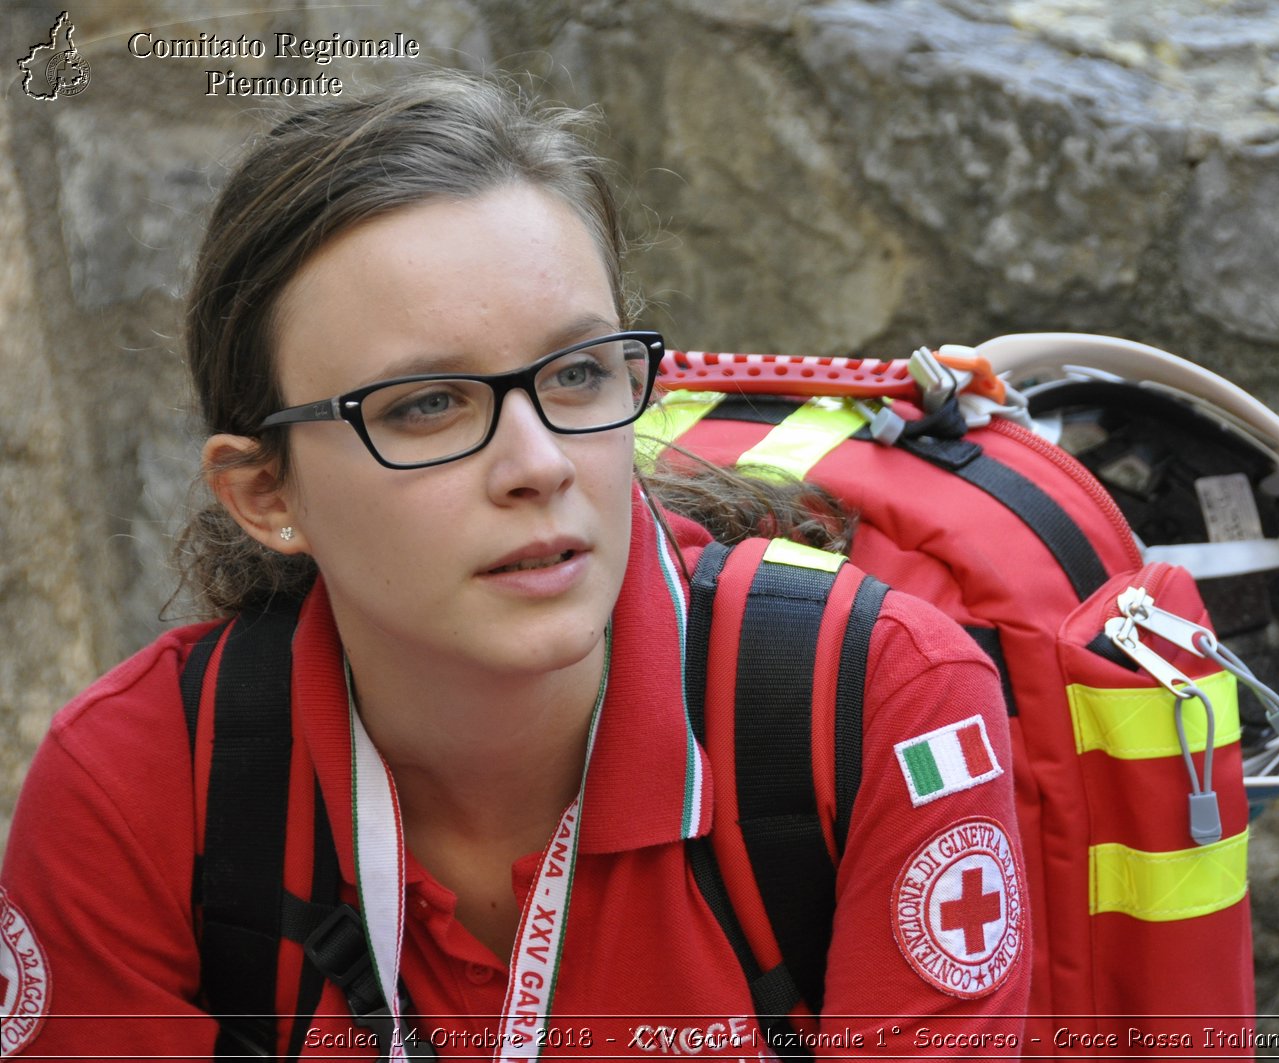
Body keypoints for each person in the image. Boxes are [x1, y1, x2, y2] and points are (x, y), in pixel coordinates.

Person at [0, 72, 1028, 1058]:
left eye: (577, 373)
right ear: (269, 495)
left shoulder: (878, 702)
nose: (537, 465)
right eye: (425, 404)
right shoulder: (136, 788)